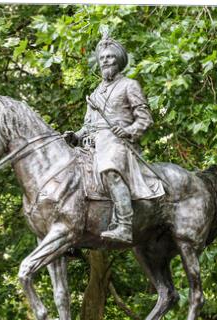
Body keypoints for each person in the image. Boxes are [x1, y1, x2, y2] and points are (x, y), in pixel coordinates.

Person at [68, 32, 164, 244]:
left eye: (110, 57)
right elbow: (88, 125)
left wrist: (129, 130)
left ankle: (124, 225)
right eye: (102, 58)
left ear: (118, 60)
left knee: (109, 169)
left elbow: (145, 119)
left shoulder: (130, 85)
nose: (105, 61)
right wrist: (75, 136)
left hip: (118, 143)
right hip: (93, 143)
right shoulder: (94, 94)